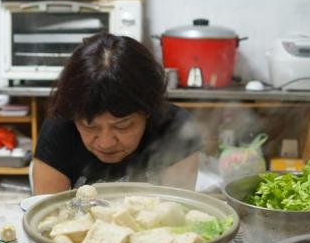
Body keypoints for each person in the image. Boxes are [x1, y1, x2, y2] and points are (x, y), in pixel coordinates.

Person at [32, 32, 201, 193]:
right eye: (89, 125)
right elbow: (46, 217)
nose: (106, 143)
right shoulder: (59, 129)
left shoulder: (177, 128)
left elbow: (177, 215)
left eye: (122, 126)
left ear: (149, 111)